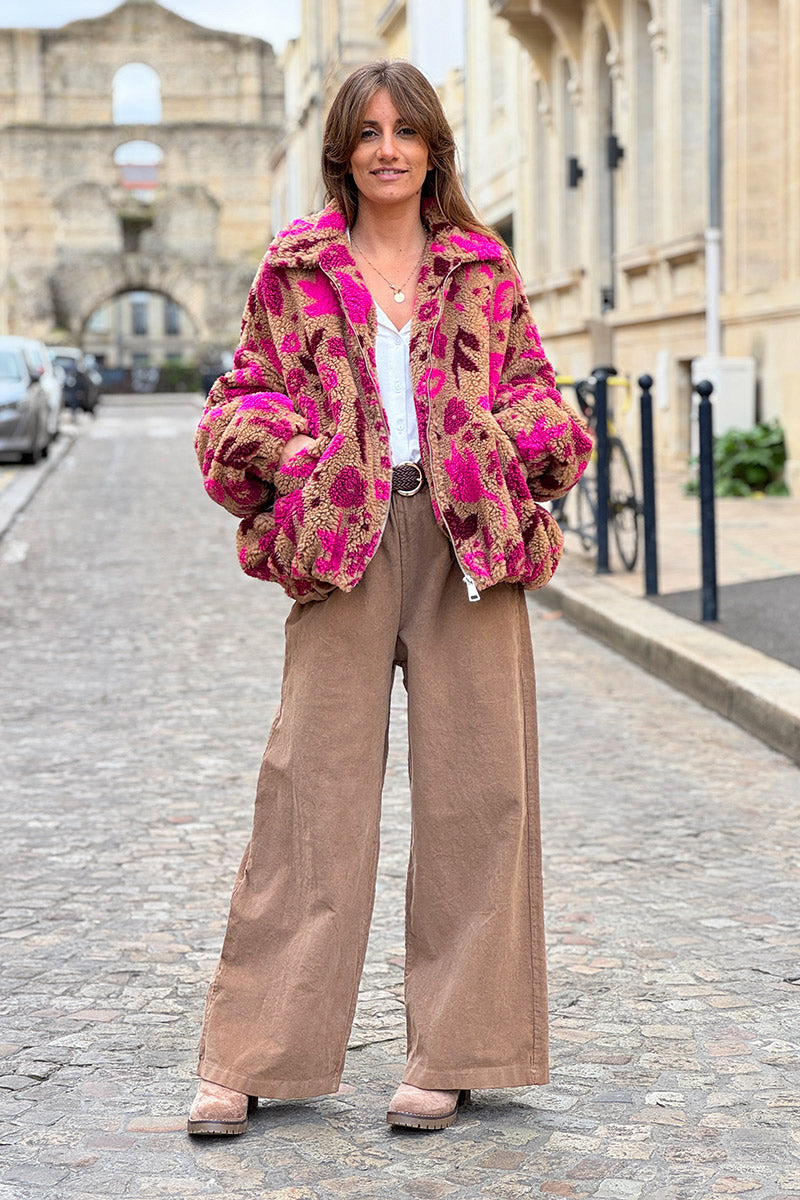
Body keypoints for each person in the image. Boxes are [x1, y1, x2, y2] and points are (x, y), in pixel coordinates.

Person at [187, 60, 591, 1137]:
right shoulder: (295, 266)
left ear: (430, 147)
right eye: (366, 131)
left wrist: (510, 441)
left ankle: (457, 1052)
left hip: (469, 545)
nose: (386, 148)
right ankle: (252, 1054)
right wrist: (301, 452)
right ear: (341, 148)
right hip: (343, 540)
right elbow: (242, 397)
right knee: (306, 799)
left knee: (479, 801)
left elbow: (537, 393)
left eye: (404, 130)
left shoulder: (479, 263)